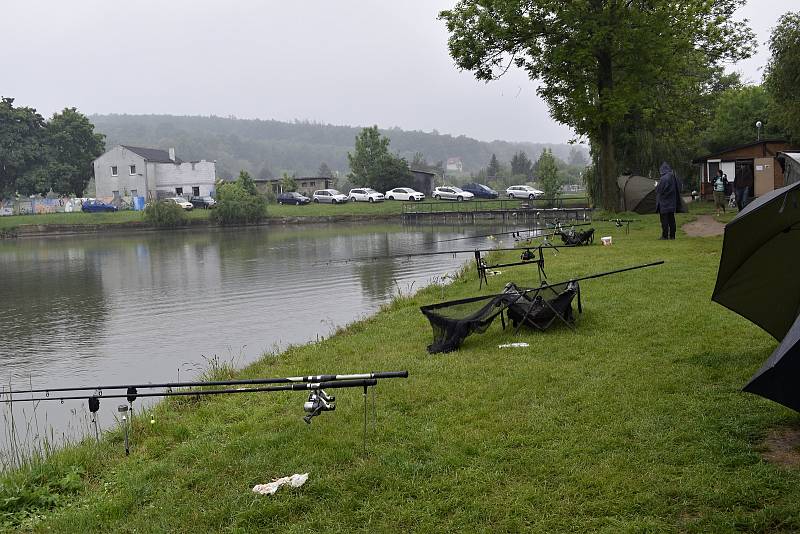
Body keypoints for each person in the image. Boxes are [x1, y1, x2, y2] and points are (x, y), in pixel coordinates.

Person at [655, 162, 681, 240]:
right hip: (672, 202)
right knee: (672, 219)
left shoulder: (663, 178)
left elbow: (660, 190)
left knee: (664, 220)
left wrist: (656, 186)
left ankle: (665, 235)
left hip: (664, 203)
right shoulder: (674, 177)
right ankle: (672, 235)